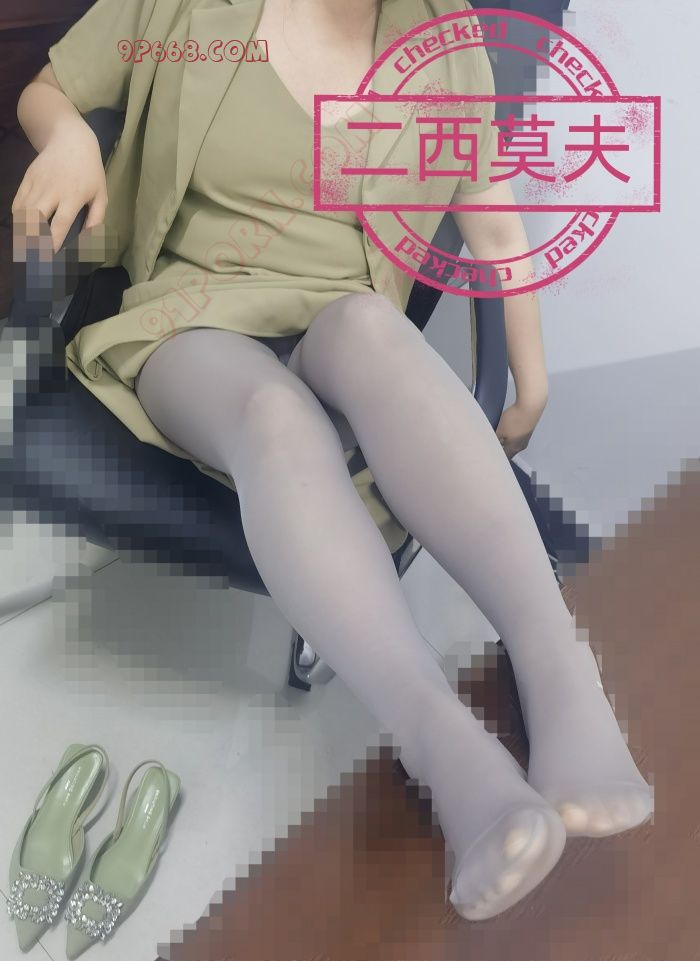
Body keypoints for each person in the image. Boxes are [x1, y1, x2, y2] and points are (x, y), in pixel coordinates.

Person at [13, 0, 652, 923]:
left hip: (344, 310)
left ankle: (560, 670)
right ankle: (445, 746)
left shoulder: (446, 44)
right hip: (192, 316)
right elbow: (50, 88)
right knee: (275, 417)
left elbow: (493, 223)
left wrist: (532, 373)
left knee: (370, 330)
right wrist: (69, 135)